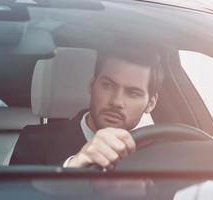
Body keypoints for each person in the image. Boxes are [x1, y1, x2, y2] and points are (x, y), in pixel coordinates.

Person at [10, 49, 162, 169]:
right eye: (107, 85)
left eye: (133, 93)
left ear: (151, 103)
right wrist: (73, 166)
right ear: (91, 85)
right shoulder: (36, 141)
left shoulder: (160, 154)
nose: (117, 102)